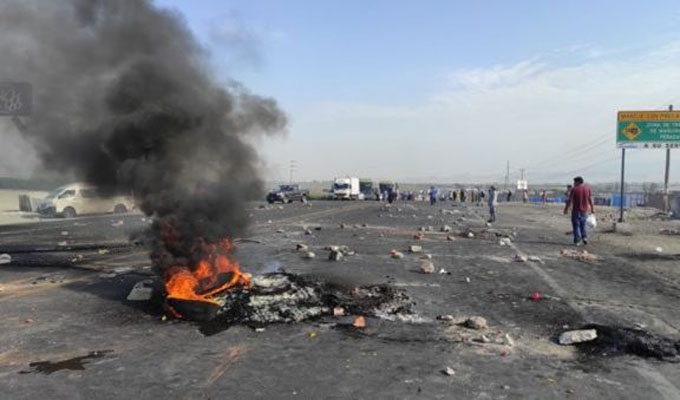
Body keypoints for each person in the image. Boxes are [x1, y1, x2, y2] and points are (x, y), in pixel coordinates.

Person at [564, 176, 595, 246]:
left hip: (576, 211)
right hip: (584, 211)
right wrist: (592, 209)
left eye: (574, 182)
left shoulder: (574, 189)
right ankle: (584, 238)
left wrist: (566, 209)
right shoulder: (587, 189)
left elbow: (569, 200)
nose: (573, 183)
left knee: (576, 226)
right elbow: (590, 200)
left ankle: (577, 240)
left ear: (578, 182)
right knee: (582, 225)